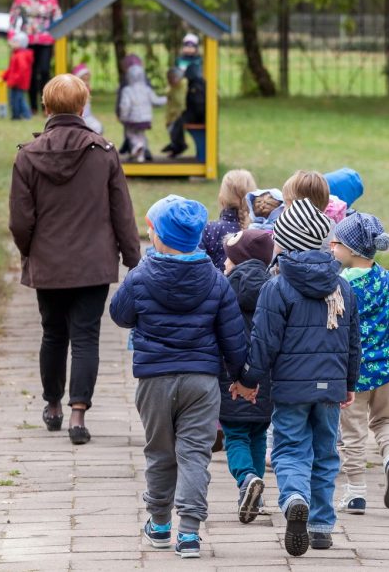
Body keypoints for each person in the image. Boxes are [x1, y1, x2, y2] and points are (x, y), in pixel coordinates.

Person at [109, 197, 246, 559]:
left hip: (155, 379)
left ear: (156, 236)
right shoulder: (216, 281)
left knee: (159, 452)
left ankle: (158, 524)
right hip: (201, 381)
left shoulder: (141, 274)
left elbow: (120, 315)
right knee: (194, 455)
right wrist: (243, 376)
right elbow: (233, 337)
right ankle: (189, 533)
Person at [8, 74, 141, 445]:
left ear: (46, 107)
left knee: (52, 332)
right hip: (93, 264)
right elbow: (122, 212)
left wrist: (30, 251)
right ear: (83, 108)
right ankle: (78, 413)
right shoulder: (104, 153)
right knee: (86, 336)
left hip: (48, 263)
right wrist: (133, 258)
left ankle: (52, 404)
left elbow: (20, 219)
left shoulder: (27, 156)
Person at [232, 198, 361, 557]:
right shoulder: (342, 287)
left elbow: (263, 340)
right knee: (325, 453)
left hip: (290, 387)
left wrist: (249, 378)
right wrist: (349, 382)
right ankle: (321, 526)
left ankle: (293, 499)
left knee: (290, 448)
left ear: (285, 241)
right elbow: (353, 341)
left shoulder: (277, 287)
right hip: (331, 386)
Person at [331, 213, 389, 515]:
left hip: (352, 375)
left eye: (337, 242)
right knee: (386, 422)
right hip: (386, 371)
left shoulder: (339, 286)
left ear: (351, 249)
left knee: (353, 433)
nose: (332, 246)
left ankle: (356, 493)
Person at [219, 228, 274, 524]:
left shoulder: (224, 289)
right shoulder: (274, 287)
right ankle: (256, 495)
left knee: (236, 436)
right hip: (266, 379)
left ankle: (246, 479)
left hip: (230, 379)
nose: (225, 264)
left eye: (228, 258)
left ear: (239, 261)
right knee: (257, 435)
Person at [10, 0, 62, 113]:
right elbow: (13, 19)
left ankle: (46, 105)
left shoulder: (51, 0)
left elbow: (58, 19)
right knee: (30, 74)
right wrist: (13, 38)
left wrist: (56, 37)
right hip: (27, 42)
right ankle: (33, 106)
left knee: (44, 71)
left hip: (46, 41)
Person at [199, 169, 257, 272]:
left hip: (217, 286)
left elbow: (199, 267)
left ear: (222, 198)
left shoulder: (210, 229)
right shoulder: (259, 229)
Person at [118, 64, 166, 162]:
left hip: (133, 118)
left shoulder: (127, 90)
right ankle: (141, 156)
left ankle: (137, 145)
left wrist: (123, 116)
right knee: (141, 135)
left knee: (130, 133)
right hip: (145, 119)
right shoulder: (147, 89)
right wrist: (167, 99)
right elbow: (155, 101)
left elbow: (125, 105)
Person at [165, 63, 206, 158]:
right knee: (175, 124)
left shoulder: (192, 87)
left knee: (178, 123)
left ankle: (179, 145)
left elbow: (196, 104)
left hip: (195, 116)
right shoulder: (192, 85)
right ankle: (176, 144)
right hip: (186, 114)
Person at [2, 32, 33, 120]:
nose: (12, 43)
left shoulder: (21, 56)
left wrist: (15, 80)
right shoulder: (16, 54)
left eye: (15, 42)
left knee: (18, 100)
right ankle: (16, 115)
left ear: (21, 43)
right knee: (14, 99)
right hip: (15, 82)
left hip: (19, 83)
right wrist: (4, 76)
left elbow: (22, 70)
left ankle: (25, 115)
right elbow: (11, 69)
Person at [160, 67, 186, 154]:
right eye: (168, 78)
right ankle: (175, 144)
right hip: (173, 114)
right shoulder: (171, 89)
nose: (170, 81)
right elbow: (170, 103)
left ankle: (179, 145)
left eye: (172, 78)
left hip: (182, 113)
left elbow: (181, 102)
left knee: (175, 127)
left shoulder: (184, 86)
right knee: (171, 127)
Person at [72, 63, 102, 134]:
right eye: (84, 79)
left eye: (87, 79)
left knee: (98, 128)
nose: (86, 82)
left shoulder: (87, 88)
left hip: (87, 115)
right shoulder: (75, 89)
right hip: (78, 117)